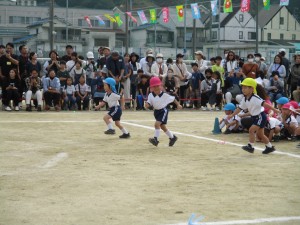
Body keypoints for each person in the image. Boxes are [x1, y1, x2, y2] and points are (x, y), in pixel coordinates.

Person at [228, 78, 280, 154]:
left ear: (252, 89)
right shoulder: (245, 99)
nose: (243, 89)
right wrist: (232, 114)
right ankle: (269, 147)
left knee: (251, 130)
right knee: (261, 134)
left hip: (260, 116)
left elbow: (265, 104)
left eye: (245, 88)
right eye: (242, 88)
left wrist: (274, 109)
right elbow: (239, 108)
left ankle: (251, 146)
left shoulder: (255, 97)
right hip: (255, 117)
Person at [145, 77, 182, 147]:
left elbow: (173, 99)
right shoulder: (150, 95)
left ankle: (155, 139)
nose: (156, 88)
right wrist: (147, 105)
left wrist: (178, 104)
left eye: (157, 86)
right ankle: (172, 137)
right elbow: (148, 103)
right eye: (154, 86)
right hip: (156, 112)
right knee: (162, 126)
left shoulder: (164, 95)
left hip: (163, 111)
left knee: (157, 124)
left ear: (161, 86)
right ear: (151, 88)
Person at [0, 43, 19, 108]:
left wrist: (9, 57)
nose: (9, 49)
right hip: (4, 77)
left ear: (13, 49)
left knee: (14, 89)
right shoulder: (2, 57)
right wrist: (1, 75)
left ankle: (15, 103)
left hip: (13, 77)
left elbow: (17, 63)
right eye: (7, 48)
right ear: (5, 49)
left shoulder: (15, 56)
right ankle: (5, 103)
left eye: (10, 48)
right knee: (4, 89)